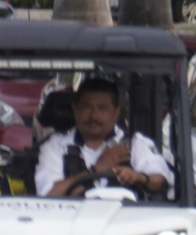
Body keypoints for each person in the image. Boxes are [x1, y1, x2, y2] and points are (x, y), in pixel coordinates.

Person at [34, 78, 172, 199]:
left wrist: (138, 177)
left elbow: (159, 180)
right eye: (87, 107)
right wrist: (98, 169)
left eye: (102, 108)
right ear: (75, 109)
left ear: (116, 113)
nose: (94, 115)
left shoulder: (134, 143)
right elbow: (49, 195)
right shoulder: (55, 147)